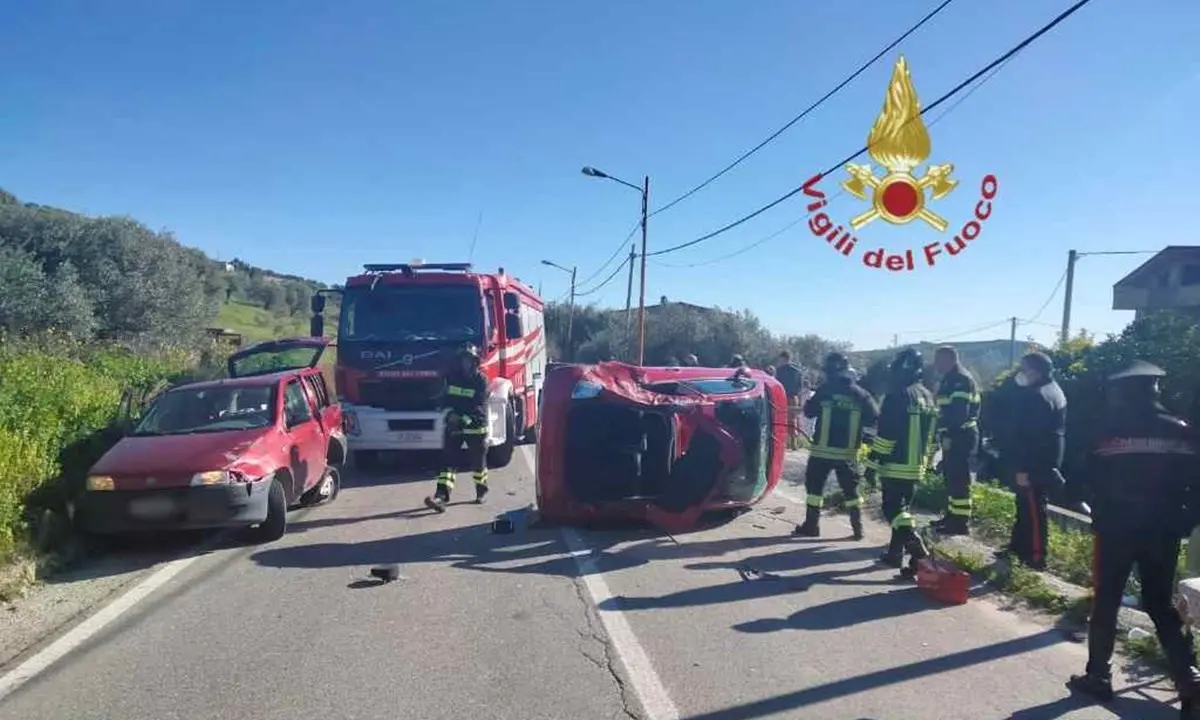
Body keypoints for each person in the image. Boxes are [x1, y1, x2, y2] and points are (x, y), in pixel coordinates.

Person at [1067, 361, 1200, 704]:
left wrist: (1096, 510)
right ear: (1157, 389)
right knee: (1160, 604)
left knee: (1107, 600)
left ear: (1121, 393)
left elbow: (1081, 480)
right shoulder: (1182, 431)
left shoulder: (1106, 432)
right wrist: (1185, 520)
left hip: (1115, 529)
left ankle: (1098, 676)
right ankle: (1189, 678)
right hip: (1164, 530)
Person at [865, 348, 938, 576]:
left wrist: (872, 465)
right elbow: (932, 434)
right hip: (917, 463)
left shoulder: (898, 395)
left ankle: (919, 553)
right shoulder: (927, 395)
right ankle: (895, 555)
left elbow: (887, 434)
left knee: (892, 509)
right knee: (903, 510)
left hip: (896, 463)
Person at [793, 352, 879, 540]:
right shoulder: (860, 394)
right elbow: (874, 418)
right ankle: (858, 529)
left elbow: (808, 412)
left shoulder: (825, 390)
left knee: (815, 489)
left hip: (822, 451)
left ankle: (811, 525)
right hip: (847, 453)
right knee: (851, 491)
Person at [1004, 352, 1066, 570]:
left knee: (1033, 507)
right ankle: (1018, 547)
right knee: (1024, 505)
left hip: (1036, 462)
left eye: (1024, 368)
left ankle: (1036, 557)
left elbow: (1033, 437)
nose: (1021, 373)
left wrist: (1023, 468)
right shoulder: (1052, 390)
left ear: (1035, 371)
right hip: (1044, 459)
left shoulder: (1039, 396)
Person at [424, 343, 490, 512]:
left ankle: (481, 492)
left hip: (475, 426)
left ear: (475, 362)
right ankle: (441, 497)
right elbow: (444, 400)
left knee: (477, 464)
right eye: (463, 360)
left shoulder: (481, 381)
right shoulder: (452, 377)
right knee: (448, 462)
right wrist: (450, 415)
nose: (465, 363)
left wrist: (462, 419)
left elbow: (479, 407)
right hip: (454, 424)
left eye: (469, 360)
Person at [930, 346, 982, 536]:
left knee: (959, 479)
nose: (935, 364)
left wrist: (939, 425)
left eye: (938, 360)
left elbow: (958, 414)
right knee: (951, 478)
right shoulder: (950, 378)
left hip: (961, 435)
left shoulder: (960, 380)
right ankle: (952, 517)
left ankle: (960, 523)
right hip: (953, 435)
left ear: (949, 359)